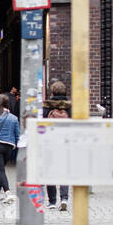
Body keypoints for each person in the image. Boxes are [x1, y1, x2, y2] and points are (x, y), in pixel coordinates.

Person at [43, 80, 71, 211]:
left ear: (52, 92)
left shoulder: (47, 107)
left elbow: (41, 125)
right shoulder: (71, 107)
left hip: (50, 143)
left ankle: (52, 201)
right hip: (65, 143)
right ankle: (64, 198)